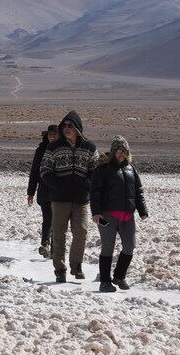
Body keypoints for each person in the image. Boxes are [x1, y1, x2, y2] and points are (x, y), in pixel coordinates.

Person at [40, 111, 98, 282]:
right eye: (64, 126)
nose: (66, 129)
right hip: (59, 199)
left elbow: (95, 171)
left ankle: (76, 266)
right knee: (59, 235)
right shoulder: (53, 147)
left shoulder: (89, 147)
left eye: (70, 126)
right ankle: (60, 269)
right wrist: (58, 185)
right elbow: (44, 170)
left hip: (81, 199)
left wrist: (86, 185)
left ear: (78, 128)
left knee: (81, 232)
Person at [90, 136, 148, 292]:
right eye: (118, 150)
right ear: (113, 151)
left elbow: (138, 191)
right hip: (107, 215)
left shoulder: (131, 169)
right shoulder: (102, 169)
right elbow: (95, 193)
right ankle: (104, 281)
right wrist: (96, 213)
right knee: (107, 247)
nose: (121, 154)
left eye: (124, 151)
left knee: (130, 246)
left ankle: (119, 276)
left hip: (127, 215)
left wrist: (142, 210)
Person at [27, 125, 59, 257]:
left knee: (57, 220)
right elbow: (34, 172)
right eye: (50, 134)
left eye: (54, 134)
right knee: (48, 218)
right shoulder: (41, 150)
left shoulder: (64, 150)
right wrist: (30, 192)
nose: (52, 136)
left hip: (60, 191)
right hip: (44, 191)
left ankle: (53, 247)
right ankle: (46, 244)